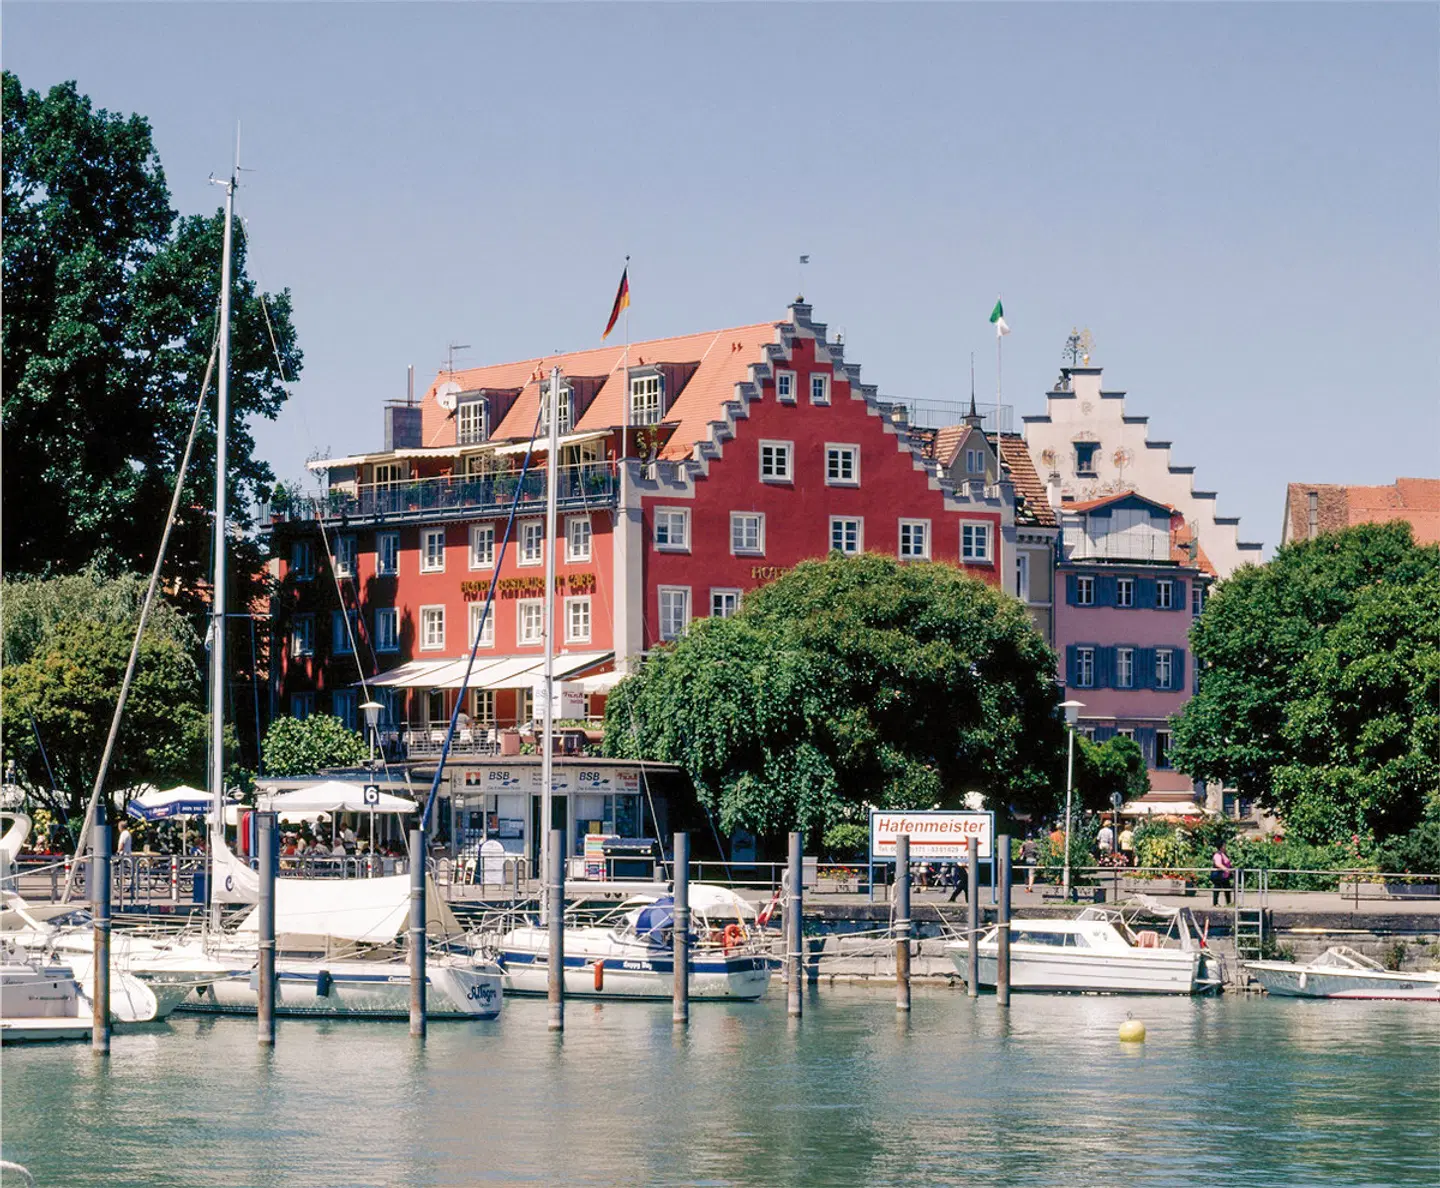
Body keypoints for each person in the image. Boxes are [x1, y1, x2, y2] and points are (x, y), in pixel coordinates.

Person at [1211, 841, 1234, 906]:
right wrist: (1226, 869)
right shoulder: (1217, 854)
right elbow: (1218, 863)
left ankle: (1229, 903)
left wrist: (1231, 868)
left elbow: (1227, 862)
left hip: (1224, 875)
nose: (1225, 846)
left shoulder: (1224, 854)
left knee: (1227, 888)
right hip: (1218, 875)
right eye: (1224, 845)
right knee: (1217, 888)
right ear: (1221, 847)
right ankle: (1215, 903)